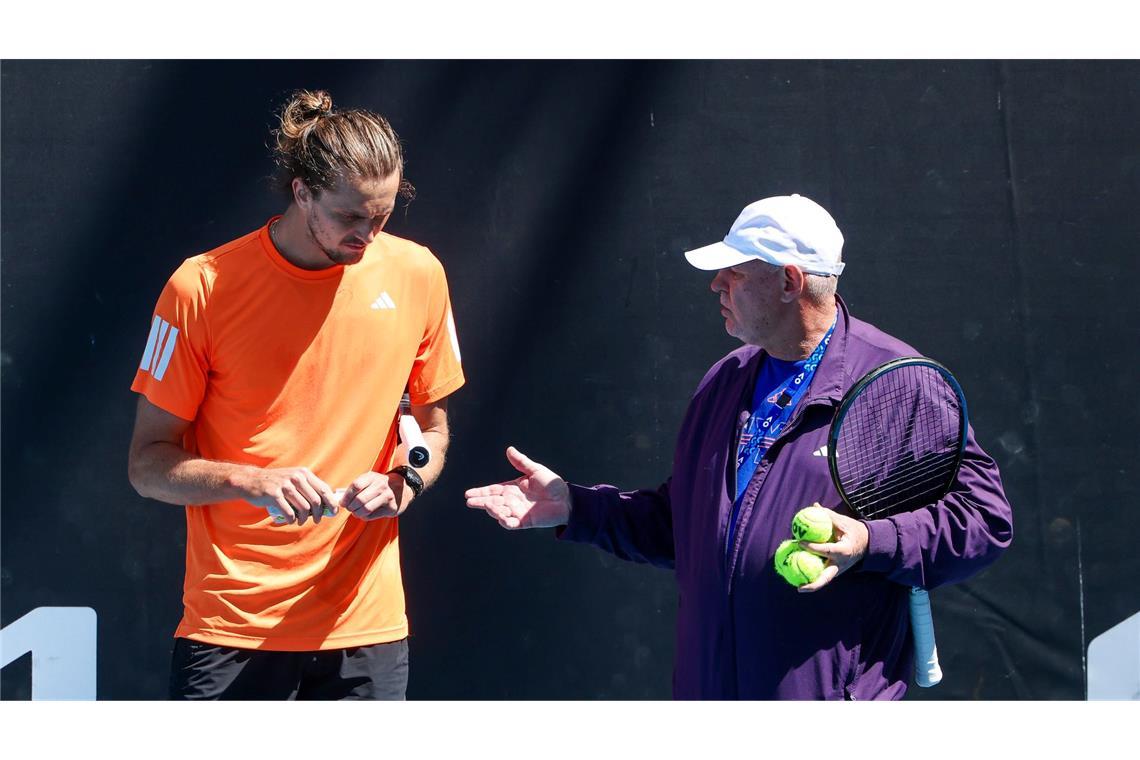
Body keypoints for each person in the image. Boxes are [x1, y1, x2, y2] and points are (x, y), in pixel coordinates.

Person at [465, 194, 1012, 699]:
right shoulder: (727, 379)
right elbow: (688, 529)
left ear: (790, 282)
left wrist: (872, 540)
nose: (715, 285)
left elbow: (984, 521)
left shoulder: (900, 385)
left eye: (734, 273)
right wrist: (578, 507)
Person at [128, 89, 465, 700]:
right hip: (233, 629)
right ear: (302, 191)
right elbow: (148, 467)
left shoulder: (419, 274)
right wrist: (252, 482)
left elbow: (432, 434)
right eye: (350, 217)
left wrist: (402, 483)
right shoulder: (199, 287)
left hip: (366, 630)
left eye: (383, 216)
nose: (367, 234)